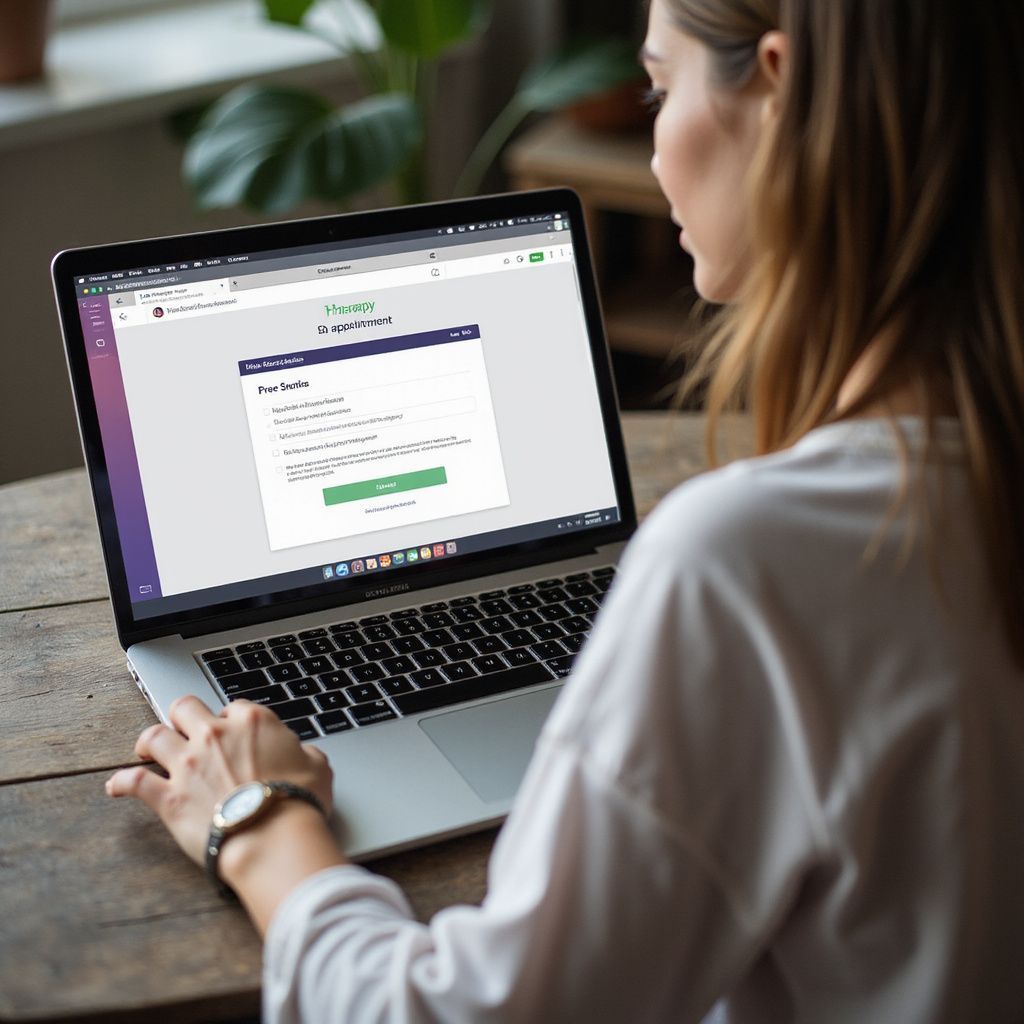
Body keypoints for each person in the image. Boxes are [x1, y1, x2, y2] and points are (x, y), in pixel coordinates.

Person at [106, 0, 1024, 1020]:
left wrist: (259, 821)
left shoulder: (747, 563)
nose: (655, 143)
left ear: (778, 91)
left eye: (659, 90)